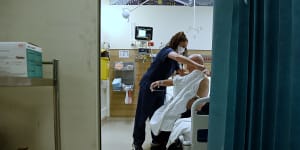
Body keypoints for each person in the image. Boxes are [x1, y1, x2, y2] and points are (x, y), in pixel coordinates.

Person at [132, 32, 206, 150]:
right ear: (176, 43)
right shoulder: (166, 51)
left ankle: (156, 140)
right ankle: (137, 143)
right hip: (149, 86)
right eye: (182, 46)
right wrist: (197, 66)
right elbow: (177, 58)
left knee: (156, 114)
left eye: (185, 47)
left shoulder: (177, 64)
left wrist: (198, 72)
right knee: (142, 115)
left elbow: (181, 77)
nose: (183, 49)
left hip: (161, 89)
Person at [148, 54, 210, 150]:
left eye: (188, 63)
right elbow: (175, 81)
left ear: (195, 64)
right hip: (181, 106)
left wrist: (184, 101)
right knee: (159, 114)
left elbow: (198, 105)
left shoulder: (203, 79)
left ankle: (165, 142)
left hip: (189, 110)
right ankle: (160, 141)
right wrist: (160, 82)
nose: (186, 66)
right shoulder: (188, 76)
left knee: (167, 117)